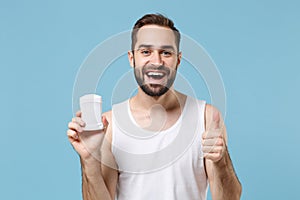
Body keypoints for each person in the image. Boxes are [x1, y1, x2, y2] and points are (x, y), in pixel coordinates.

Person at [67, 13, 242, 200]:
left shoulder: (207, 119)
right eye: (145, 52)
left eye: (166, 53)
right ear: (131, 58)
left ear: (178, 60)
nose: (157, 62)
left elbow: (230, 197)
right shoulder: (109, 125)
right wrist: (89, 161)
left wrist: (221, 160)